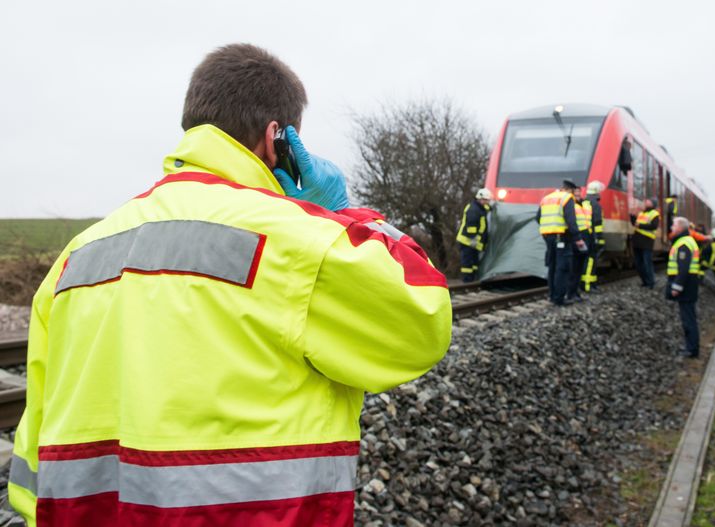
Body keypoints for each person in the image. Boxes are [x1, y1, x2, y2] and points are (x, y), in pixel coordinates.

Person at [8, 44, 452, 527]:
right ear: (276, 138)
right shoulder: (299, 240)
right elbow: (422, 317)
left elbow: (35, 448)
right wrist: (343, 211)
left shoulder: (76, 257)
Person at [536, 179, 584, 306]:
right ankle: (559, 298)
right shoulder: (567, 198)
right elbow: (571, 220)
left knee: (552, 266)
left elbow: (537, 217)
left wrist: (548, 228)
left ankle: (552, 296)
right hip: (562, 237)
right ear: (570, 190)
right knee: (562, 268)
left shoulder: (546, 198)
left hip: (547, 236)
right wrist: (578, 238)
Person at [666, 217, 704, 358]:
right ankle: (691, 347)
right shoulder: (688, 241)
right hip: (689, 285)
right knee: (689, 317)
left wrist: (677, 286)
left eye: (674, 225)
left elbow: (683, 268)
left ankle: (692, 349)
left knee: (688, 319)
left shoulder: (683, 244)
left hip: (686, 286)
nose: (672, 227)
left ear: (681, 227)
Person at [456, 188, 492, 282]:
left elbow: (487, 209)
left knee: (474, 262)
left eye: (488, 200)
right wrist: (473, 238)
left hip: (474, 242)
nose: (487, 202)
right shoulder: (473, 209)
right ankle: (467, 281)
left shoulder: (480, 208)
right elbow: (471, 225)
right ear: (480, 199)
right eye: (486, 200)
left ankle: (473, 280)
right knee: (467, 263)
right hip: (468, 241)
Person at [581, 181, 605, 292]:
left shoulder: (584, 202)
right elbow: (597, 223)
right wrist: (599, 239)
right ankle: (588, 285)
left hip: (584, 235)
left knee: (585, 260)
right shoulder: (596, 205)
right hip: (592, 237)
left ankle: (589, 284)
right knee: (591, 260)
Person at [631, 198, 660, 288]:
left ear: (653, 204)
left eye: (649, 201)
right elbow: (635, 224)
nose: (646, 202)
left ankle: (651, 282)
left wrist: (640, 225)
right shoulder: (641, 213)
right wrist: (631, 216)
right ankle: (645, 282)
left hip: (647, 241)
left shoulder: (655, 214)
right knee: (638, 263)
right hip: (637, 241)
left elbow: (653, 226)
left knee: (647, 263)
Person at [569, 187, 591, 301]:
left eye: (579, 193)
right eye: (575, 193)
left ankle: (575, 292)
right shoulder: (572, 205)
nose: (578, 195)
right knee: (574, 267)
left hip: (584, 237)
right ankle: (571, 292)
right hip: (577, 237)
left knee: (580, 267)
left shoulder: (582, 205)